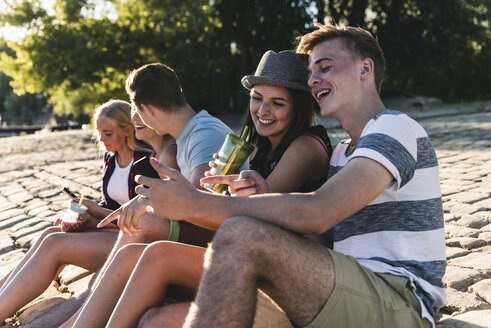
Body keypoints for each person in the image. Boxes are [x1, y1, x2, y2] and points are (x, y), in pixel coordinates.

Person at [133, 24, 446, 328]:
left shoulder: (394, 127)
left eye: (324, 67)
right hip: (337, 287)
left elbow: (318, 212)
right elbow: (322, 239)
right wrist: (262, 200)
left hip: (399, 300)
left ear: (365, 70)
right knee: (158, 321)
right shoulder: (341, 154)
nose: (313, 80)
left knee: (239, 234)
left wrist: (196, 204)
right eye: (310, 73)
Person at [73, 50, 332, 328]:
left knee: (153, 250)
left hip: (288, 268)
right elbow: (220, 203)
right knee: (135, 257)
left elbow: (251, 211)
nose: (263, 111)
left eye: (277, 103)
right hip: (248, 252)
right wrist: (209, 187)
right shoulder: (257, 146)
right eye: (257, 99)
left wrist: (187, 198)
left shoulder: (305, 147)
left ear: (298, 107)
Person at [65, 62, 234, 327]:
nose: (136, 118)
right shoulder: (189, 133)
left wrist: (147, 203)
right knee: (130, 246)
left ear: (148, 110)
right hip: (210, 235)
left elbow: (203, 204)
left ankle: (80, 318)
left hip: (221, 242)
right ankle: (81, 317)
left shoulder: (204, 134)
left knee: (143, 223)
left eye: (136, 110)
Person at [0, 99, 166, 323]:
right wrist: (85, 215)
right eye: (99, 133)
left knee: (54, 243)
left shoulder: (145, 163)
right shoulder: (111, 159)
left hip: (133, 241)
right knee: (50, 232)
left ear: (128, 130)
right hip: (111, 233)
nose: (101, 139)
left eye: (108, 133)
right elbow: (110, 204)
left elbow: (147, 221)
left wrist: (95, 211)